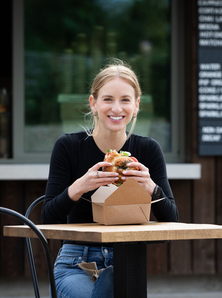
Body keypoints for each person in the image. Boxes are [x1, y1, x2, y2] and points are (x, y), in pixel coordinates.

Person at [41, 59, 179, 298]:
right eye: (107, 99)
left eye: (125, 100)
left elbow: (172, 221)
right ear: (93, 104)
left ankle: (112, 278)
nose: (117, 109)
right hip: (75, 262)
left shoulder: (148, 150)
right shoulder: (68, 146)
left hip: (126, 259)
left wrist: (151, 188)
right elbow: (47, 219)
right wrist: (79, 187)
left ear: (136, 106)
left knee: (116, 281)